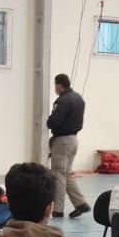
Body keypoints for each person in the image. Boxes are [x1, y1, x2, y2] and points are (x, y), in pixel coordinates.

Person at [45, 74, 89, 219]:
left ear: (59, 85)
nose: (55, 88)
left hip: (62, 141)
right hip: (74, 140)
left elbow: (54, 122)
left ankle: (58, 209)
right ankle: (80, 203)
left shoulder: (62, 101)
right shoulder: (78, 98)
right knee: (67, 172)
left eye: (55, 85)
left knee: (58, 174)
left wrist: (49, 120)